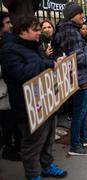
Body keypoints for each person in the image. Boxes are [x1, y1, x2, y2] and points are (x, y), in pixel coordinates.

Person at [0, 16, 67, 180]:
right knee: (32, 143)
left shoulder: (34, 46)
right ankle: (33, 175)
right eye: (36, 30)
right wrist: (46, 64)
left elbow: (42, 63)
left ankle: (46, 166)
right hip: (28, 106)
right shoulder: (8, 49)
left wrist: (53, 61)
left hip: (46, 101)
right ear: (23, 31)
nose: (40, 32)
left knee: (48, 139)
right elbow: (19, 73)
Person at [52, 2, 87, 155]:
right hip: (79, 78)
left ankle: (83, 137)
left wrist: (86, 47)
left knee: (82, 111)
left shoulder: (67, 30)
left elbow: (74, 54)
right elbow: (78, 60)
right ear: (72, 15)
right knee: (80, 112)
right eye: (80, 13)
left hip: (76, 78)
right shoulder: (71, 32)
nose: (83, 16)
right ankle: (75, 146)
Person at [0, 11, 22, 161]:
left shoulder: (10, 41)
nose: (11, 25)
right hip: (2, 91)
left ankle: (16, 146)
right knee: (7, 123)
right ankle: (8, 149)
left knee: (13, 121)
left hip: (12, 88)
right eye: (7, 23)